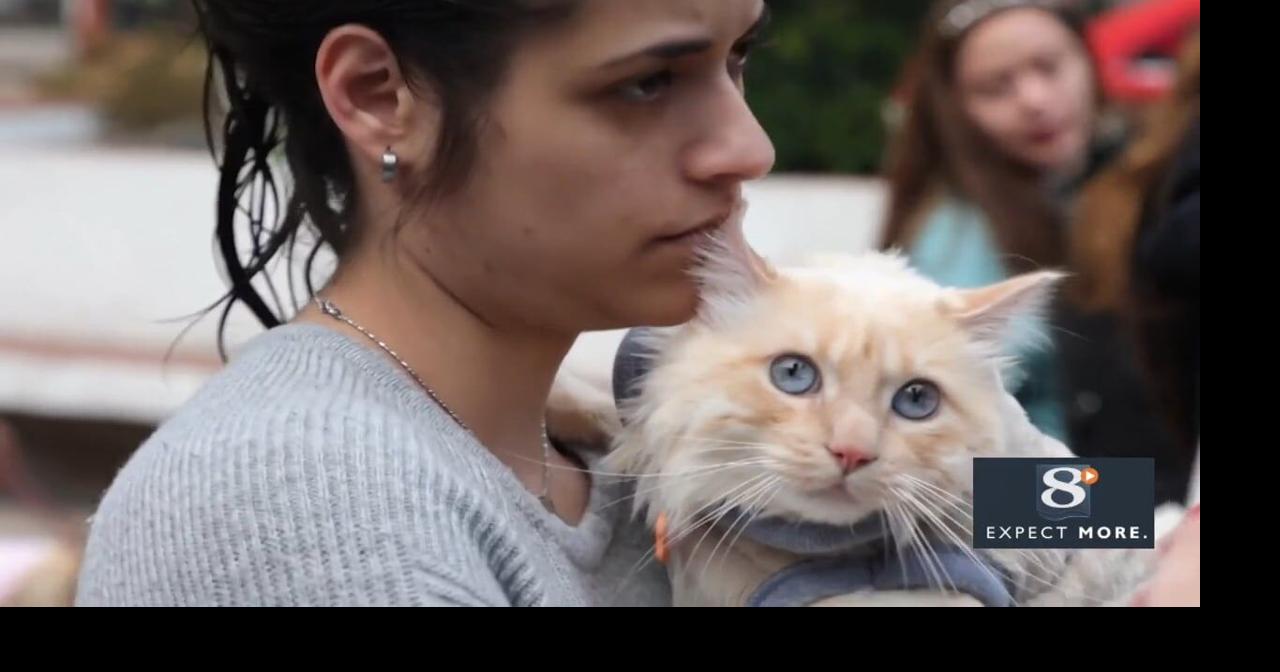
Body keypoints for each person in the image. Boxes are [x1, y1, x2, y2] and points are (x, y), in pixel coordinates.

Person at [75, 0, 776, 607]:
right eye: (647, 83)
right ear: (378, 96)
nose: (748, 148)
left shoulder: (634, 466)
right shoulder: (302, 501)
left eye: (737, 58)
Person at [878, 0, 1182, 475]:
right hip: (1035, 498)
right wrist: (1135, 511)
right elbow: (952, 477)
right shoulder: (956, 243)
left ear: (1088, 59)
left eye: (1049, 66)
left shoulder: (1137, 176)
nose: (1034, 99)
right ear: (956, 110)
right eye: (995, 87)